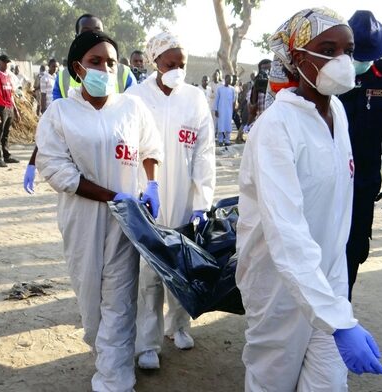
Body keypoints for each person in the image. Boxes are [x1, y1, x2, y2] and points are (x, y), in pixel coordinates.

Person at [236, 7, 382, 391]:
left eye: (348, 51)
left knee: (328, 384)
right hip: (277, 291)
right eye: (329, 49)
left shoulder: (337, 111)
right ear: (299, 57)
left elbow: (334, 215)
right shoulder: (276, 127)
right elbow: (286, 233)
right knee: (272, 382)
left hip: (329, 283)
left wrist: (336, 307)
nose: (343, 61)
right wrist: (336, 319)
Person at [35, 31, 163, 392]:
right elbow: (57, 170)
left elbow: (151, 147)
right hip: (83, 222)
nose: (105, 69)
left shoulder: (131, 108)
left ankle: (114, 380)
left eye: (110, 61)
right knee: (92, 308)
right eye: (95, 62)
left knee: (121, 304)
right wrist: (113, 196)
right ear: (78, 68)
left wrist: (150, 184)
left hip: (126, 224)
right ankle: (104, 353)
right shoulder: (60, 113)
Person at [126, 31, 216, 370]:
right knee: (149, 274)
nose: (177, 69)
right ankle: (148, 343)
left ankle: (178, 326)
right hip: (147, 199)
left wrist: (202, 200)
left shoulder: (194, 98)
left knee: (181, 267)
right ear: (155, 62)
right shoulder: (135, 97)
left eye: (182, 64)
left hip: (182, 198)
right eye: (170, 63)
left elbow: (204, 153)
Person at [24, 13, 136, 194]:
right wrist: (33, 161)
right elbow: (52, 125)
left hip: (118, 160)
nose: (104, 69)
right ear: (76, 36)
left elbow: (138, 122)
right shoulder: (65, 76)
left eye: (97, 31)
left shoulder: (123, 73)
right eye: (86, 31)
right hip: (81, 165)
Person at [339, 10, 382, 299]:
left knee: (355, 248)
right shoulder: (330, 75)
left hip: (365, 182)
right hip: (327, 180)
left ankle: (343, 309)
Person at [0, 54, 21, 168]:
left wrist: (16, 110)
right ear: (0, 62)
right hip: (1, 107)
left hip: (9, 107)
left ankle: (6, 156)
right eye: (4, 62)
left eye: (8, 62)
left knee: (6, 133)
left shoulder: (9, 76)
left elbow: (11, 95)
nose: (6, 64)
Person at [214, 74, 236, 146]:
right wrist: (216, 109)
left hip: (229, 111)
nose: (230, 81)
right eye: (229, 79)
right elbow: (216, 100)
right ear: (225, 79)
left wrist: (233, 111)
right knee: (221, 126)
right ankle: (220, 140)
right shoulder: (220, 89)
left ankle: (227, 141)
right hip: (221, 110)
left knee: (228, 126)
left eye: (231, 79)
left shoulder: (232, 89)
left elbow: (234, 101)